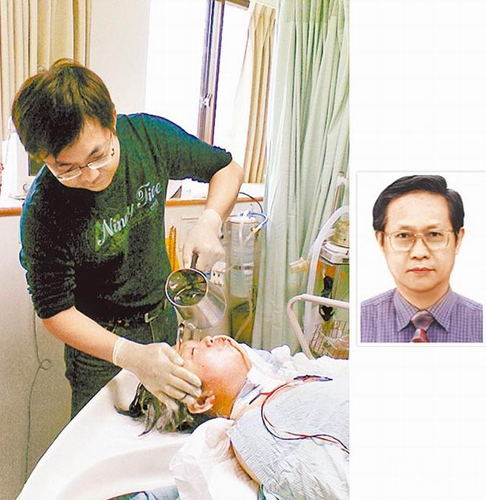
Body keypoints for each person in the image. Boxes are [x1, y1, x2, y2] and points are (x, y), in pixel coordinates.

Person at [12, 59, 244, 417]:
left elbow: (226, 168)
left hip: (162, 319)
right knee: (100, 440)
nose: (90, 175)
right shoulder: (44, 210)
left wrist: (210, 221)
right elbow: (54, 311)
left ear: (112, 119)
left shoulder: (149, 138)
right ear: (43, 159)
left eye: (97, 155)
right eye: (67, 169)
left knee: (168, 429)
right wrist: (128, 354)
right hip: (100, 349)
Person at [123, 335, 349, 500]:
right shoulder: (253, 431)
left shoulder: (296, 372)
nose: (208, 340)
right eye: (192, 351)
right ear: (202, 401)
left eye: (199, 340)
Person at [361, 175, 483, 343]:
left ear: (458, 239)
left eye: (434, 234)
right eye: (403, 235)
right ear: (381, 241)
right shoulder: (359, 322)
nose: (419, 253)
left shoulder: (480, 325)